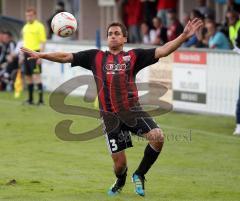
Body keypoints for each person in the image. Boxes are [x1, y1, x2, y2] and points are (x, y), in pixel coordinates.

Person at [21, 18, 203, 196]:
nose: (113, 36)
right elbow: (66, 56)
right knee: (119, 165)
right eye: (110, 34)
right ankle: (121, 180)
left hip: (133, 111)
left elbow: (163, 50)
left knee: (158, 137)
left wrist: (184, 36)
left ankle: (139, 174)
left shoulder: (134, 56)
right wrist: (42, 55)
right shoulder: (95, 57)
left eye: (117, 33)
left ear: (125, 38)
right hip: (109, 118)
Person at [22, 7, 46, 105]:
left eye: (31, 15)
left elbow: (43, 42)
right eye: (27, 15)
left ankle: (40, 100)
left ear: (35, 16)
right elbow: (24, 42)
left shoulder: (39, 26)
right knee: (28, 76)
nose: (29, 17)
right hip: (26, 54)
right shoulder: (25, 27)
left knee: (36, 76)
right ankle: (30, 100)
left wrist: (40, 56)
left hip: (35, 53)